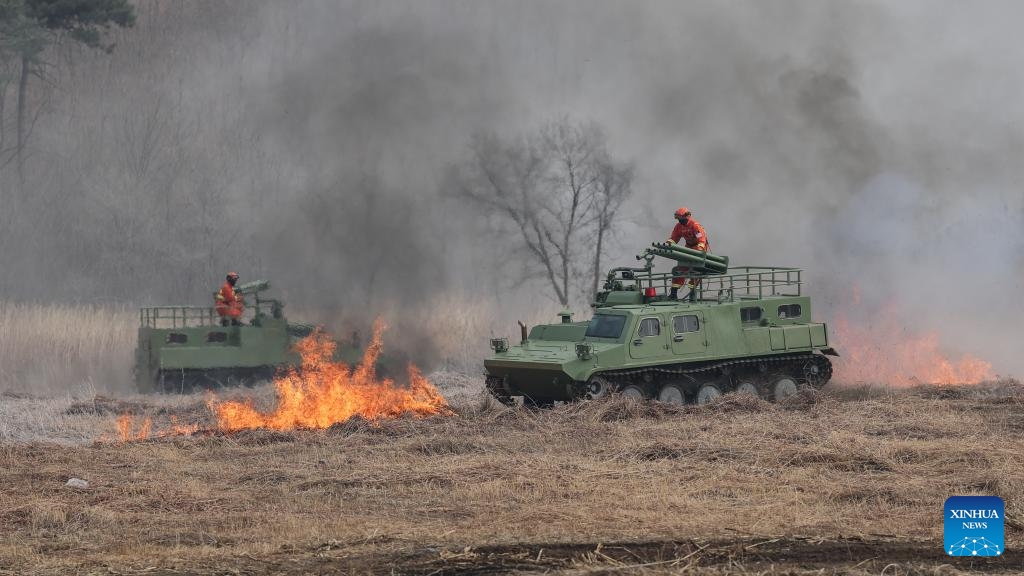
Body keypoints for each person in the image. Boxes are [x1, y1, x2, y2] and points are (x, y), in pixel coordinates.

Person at [666, 207, 710, 299]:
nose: (679, 220)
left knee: (696, 270)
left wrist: (699, 250)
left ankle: (692, 294)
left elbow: (701, 239)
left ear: (687, 216)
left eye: (681, 218)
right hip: (689, 247)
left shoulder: (695, 225)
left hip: (698, 247)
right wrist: (669, 244)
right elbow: (674, 237)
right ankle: (673, 293)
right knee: (681, 268)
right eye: (678, 218)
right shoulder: (678, 226)